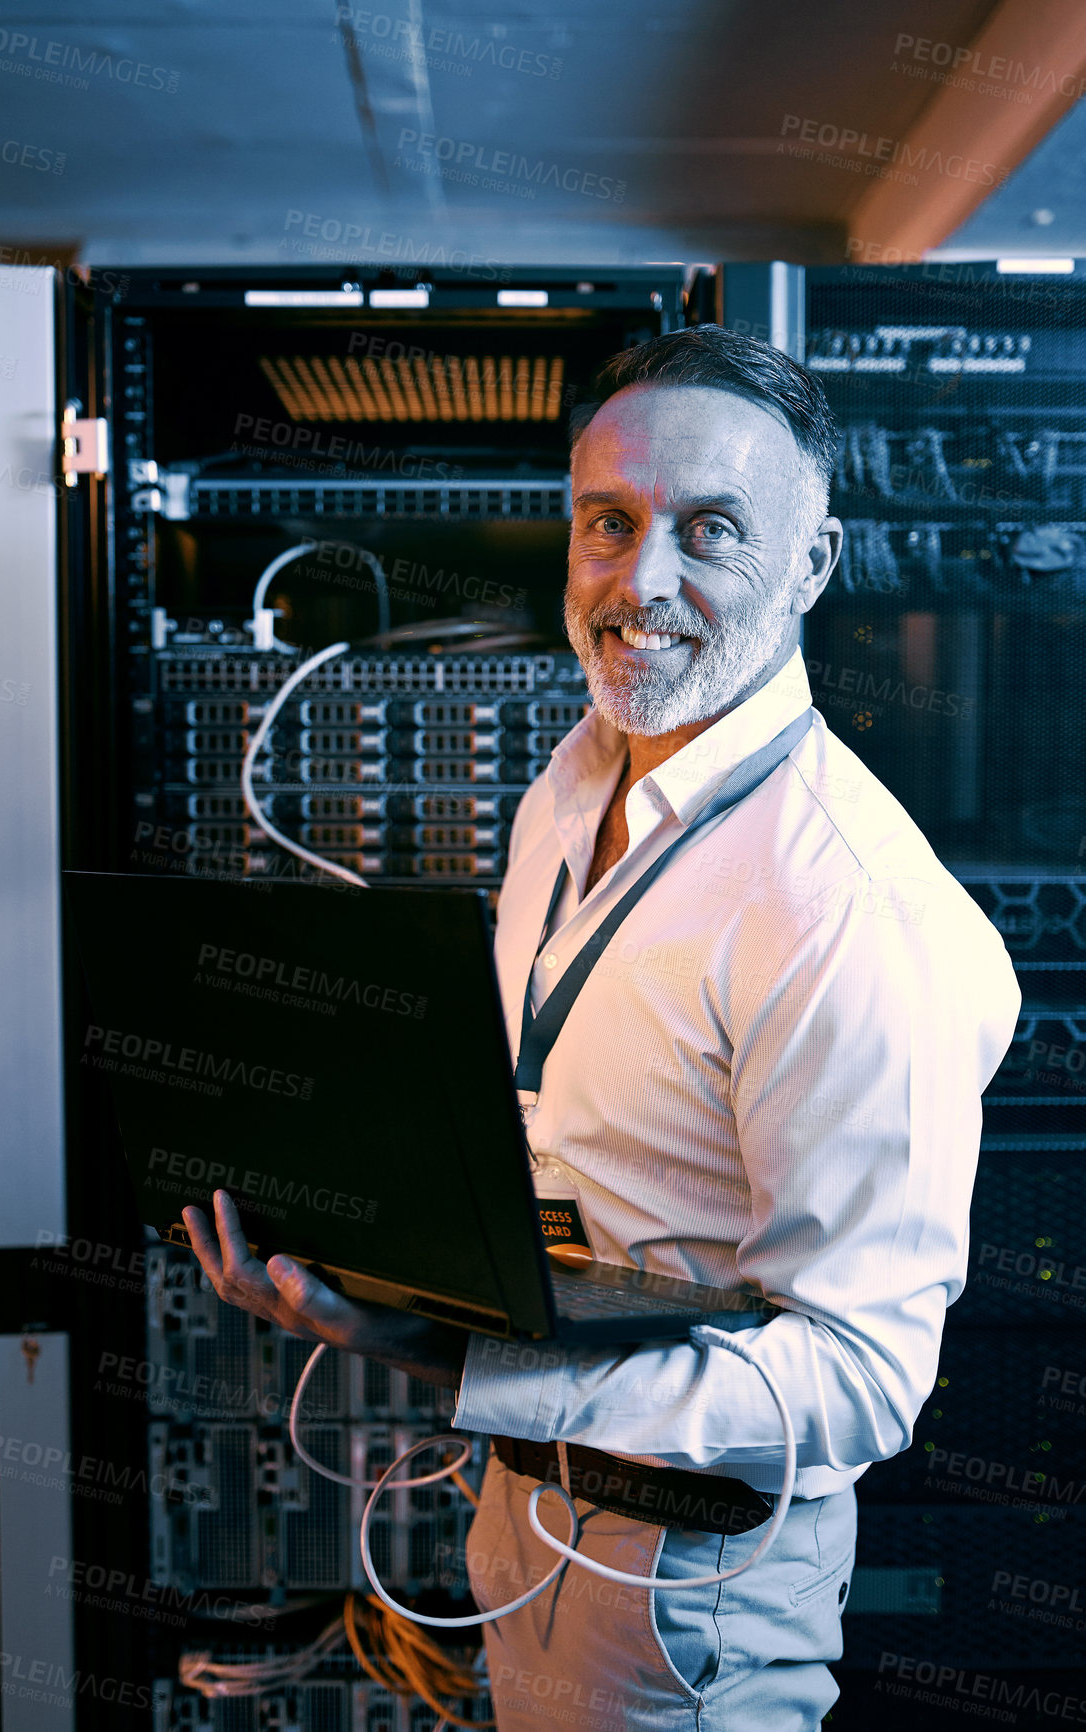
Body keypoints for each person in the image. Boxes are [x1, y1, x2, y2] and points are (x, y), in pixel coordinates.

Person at [182, 326, 1022, 1730]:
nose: (641, 583)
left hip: (692, 1581)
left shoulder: (845, 916)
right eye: (608, 524)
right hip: (527, 1511)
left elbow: (859, 1381)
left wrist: (461, 1365)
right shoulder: (571, 785)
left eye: (711, 531)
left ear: (811, 566)